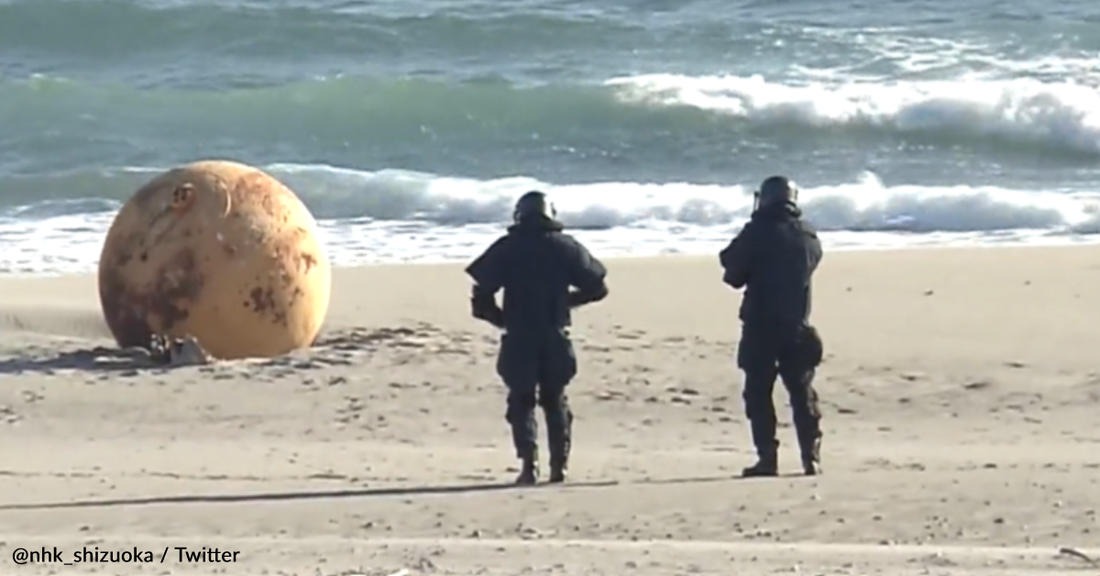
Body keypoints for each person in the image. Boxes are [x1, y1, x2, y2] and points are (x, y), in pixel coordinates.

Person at [465, 191, 609, 485]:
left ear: (520, 215)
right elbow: (597, 287)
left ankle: (529, 466)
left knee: (521, 401)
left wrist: (502, 319)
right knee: (555, 400)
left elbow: (480, 298)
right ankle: (559, 467)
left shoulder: (507, 248)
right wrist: (564, 302)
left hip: (519, 336)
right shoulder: (566, 247)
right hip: (555, 334)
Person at [719, 175, 825, 477]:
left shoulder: (757, 232)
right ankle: (811, 456)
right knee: (801, 392)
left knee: (758, 393)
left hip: (761, 327)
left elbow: (732, 272)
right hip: (797, 326)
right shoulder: (808, 234)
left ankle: (768, 458)